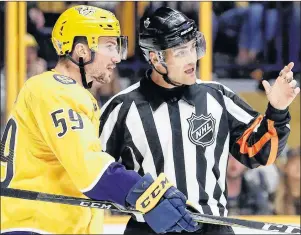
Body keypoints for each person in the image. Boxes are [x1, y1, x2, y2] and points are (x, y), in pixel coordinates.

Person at [99, 7, 299, 235]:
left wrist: (277, 111)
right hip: (148, 229)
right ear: (155, 58)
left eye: (193, 47)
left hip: (212, 227)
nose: (192, 58)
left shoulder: (218, 97)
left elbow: (259, 154)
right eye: (181, 52)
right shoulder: (121, 108)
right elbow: (97, 172)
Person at [0, 5, 199, 235]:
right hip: (34, 227)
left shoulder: (69, 95)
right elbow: (90, 168)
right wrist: (147, 194)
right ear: (82, 51)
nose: (116, 57)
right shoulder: (53, 90)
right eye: (109, 46)